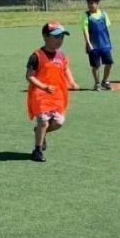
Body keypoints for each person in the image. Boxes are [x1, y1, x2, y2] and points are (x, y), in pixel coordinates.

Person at [26, 21, 79, 163]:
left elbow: (66, 69)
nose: (59, 41)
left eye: (62, 37)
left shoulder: (61, 56)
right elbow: (29, 76)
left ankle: (39, 132)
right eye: (56, 37)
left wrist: (72, 82)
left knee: (58, 122)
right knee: (43, 121)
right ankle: (37, 150)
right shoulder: (36, 56)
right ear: (45, 36)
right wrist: (43, 87)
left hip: (57, 96)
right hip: (40, 95)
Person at [81, 0, 114, 91]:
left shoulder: (103, 14)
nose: (90, 5)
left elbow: (106, 29)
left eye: (92, 3)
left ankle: (105, 81)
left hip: (105, 44)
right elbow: (85, 30)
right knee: (95, 66)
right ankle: (97, 83)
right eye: (89, 3)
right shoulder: (86, 15)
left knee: (109, 63)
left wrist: (108, 41)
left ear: (97, 4)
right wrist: (88, 43)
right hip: (93, 46)